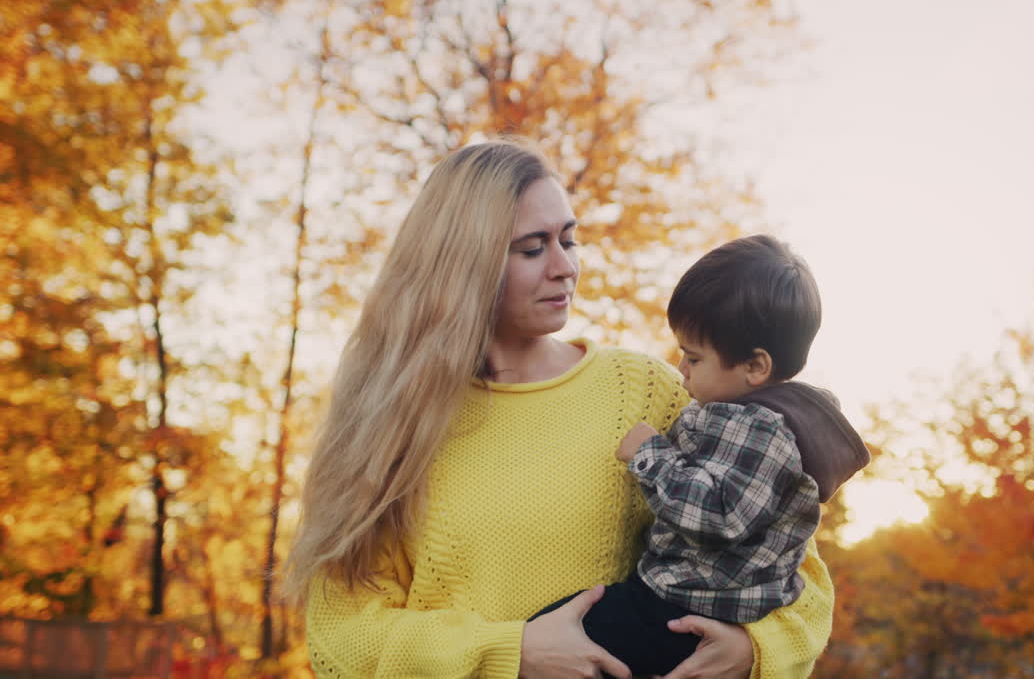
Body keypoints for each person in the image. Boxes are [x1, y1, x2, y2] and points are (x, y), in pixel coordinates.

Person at [283, 139, 836, 679]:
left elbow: (796, 571)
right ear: (463, 262)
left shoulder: (647, 391)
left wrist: (752, 650)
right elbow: (343, 635)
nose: (564, 266)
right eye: (532, 248)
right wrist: (509, 653)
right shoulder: (395, 420)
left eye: (569, 241)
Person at [531, 235, 871, 677]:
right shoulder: (753, 418)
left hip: (683, 607)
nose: (681, 370)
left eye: (694, 358)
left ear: (755, 367)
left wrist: (651, 456)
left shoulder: (758, 429)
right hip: (689, 604)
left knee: (556, 632)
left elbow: (721, 516)